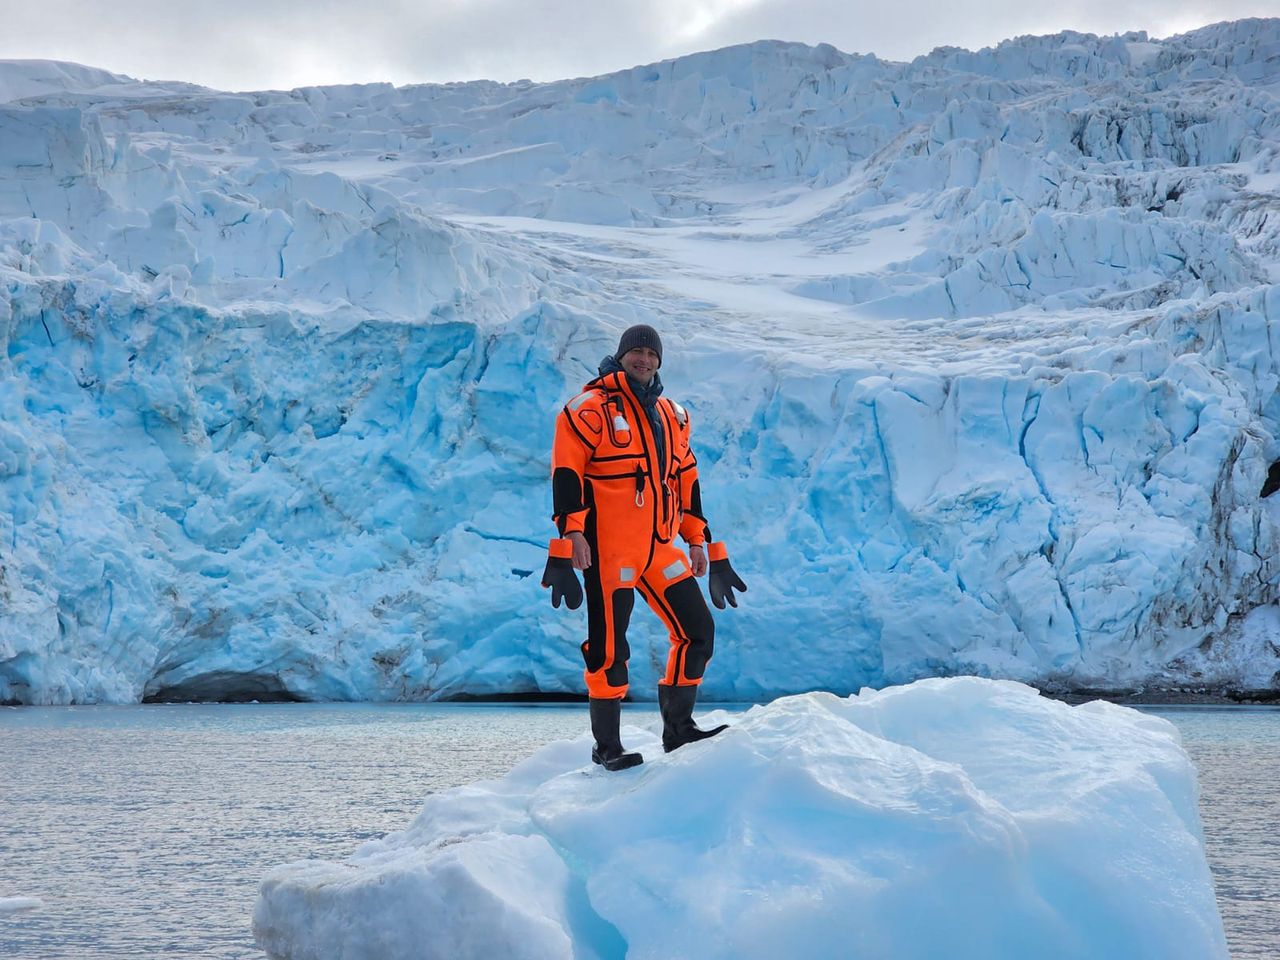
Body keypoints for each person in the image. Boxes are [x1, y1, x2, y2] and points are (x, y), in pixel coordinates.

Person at [541, 324, 747, 771]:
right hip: (608, 550)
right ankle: (606, 746)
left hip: (659, 549)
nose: (644, 360)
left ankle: (678, 730)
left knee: (698, 633)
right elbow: (567, 474)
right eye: (636, 351)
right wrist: (570, 535)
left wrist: (697, 541)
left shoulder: (675, 416)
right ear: (621, 355)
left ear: (659, 362)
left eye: (651, 354)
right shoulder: (587, 410)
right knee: (609, 650)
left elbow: (687, 482)